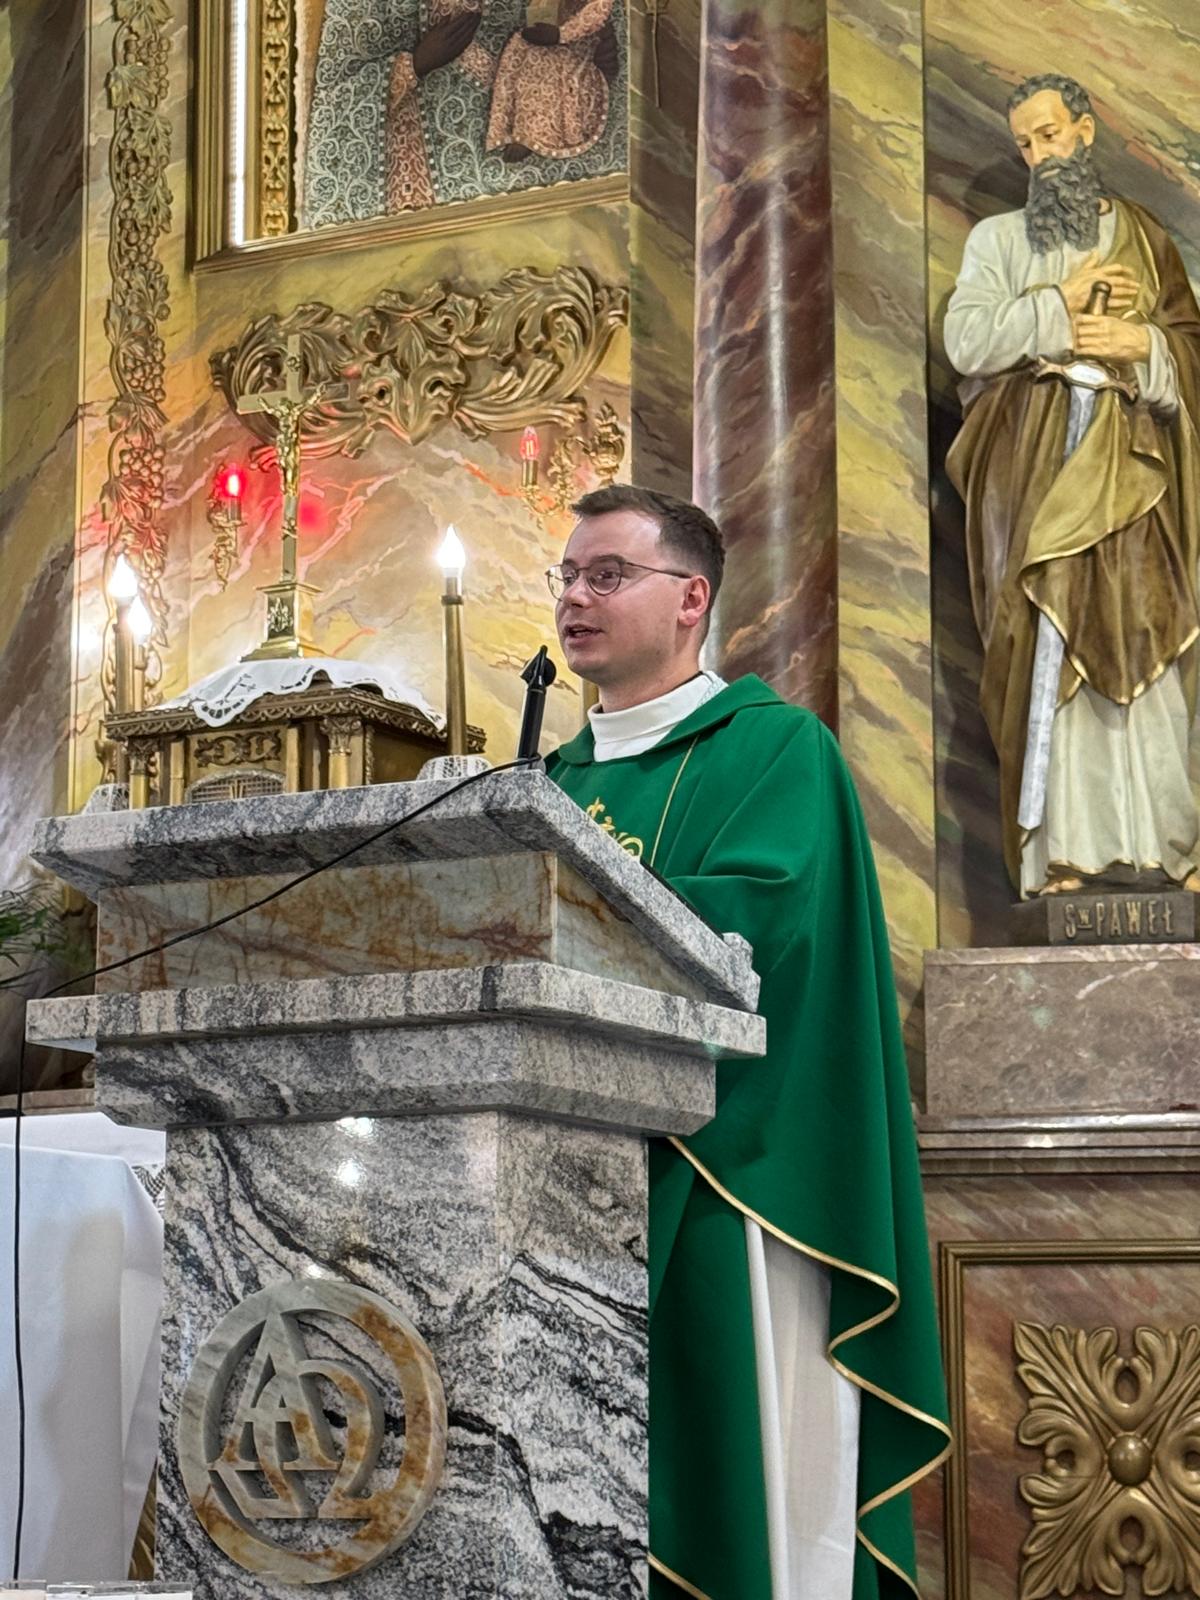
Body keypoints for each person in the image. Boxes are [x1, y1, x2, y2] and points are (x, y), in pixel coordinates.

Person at [543, 485, 949, 1600]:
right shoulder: (545, 785)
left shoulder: (776, 750)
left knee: (737, 1491)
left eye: (607, 575)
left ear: (692, 599)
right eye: (567, 576)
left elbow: (763, 931)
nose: (575, 597)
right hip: (557, 1185)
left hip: (732, 1176)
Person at [943, 74, 1200, 897]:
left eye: (1050, 135)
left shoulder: (1148, 238)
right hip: (1036, 471)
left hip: (1136, 473)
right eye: (1025, 144)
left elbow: (1190, 348)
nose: (1039, 155)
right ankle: (1063, 854)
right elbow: (966, 340)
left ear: (1085, 132)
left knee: (1147, 632)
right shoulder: (998, 240)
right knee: (1046, 642)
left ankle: (1166, 850)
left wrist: (1142, 346)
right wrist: (1058, 305)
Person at [485, 0, 618, 164]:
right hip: (554, 28)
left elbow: (600, 9)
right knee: (518, 46)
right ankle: (510, 127)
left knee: (546, 60)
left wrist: (560, 34)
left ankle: (534, 135)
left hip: (582, 42)